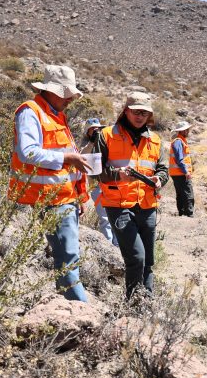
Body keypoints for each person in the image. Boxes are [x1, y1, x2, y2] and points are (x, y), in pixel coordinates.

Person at [8, 65, 91, 302]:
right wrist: (68, 158)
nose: (69, 100)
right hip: (50, 198)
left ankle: (69, 310)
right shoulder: (30, 112)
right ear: (51, 91)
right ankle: (79, 311)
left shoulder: (56, 114)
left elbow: (69, 162)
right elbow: (28, 153)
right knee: (68, 259)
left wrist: (80, 196)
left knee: (68, 257)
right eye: (65, 94)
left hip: (65, 197)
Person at [94, 92, 169, 299]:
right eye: (136, 111)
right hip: (118, 205)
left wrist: (159, 180)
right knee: (136, 257)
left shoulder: (155, 140)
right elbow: (95, 171)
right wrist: (117, 176)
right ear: (126, 111)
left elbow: (163, 170)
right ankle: (134, 303)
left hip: (147, 206)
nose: (140, 116)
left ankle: (147, 302)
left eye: (144, 112)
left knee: (148, 261)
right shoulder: (107, 135)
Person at [81, 118, 118, 246]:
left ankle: (118, 244)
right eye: (94, 129)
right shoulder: (86, 144)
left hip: (110, 185)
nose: (97, 131)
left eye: (99, 128)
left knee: (116, 216)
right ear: (88, 131)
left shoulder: (105, 141)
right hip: (96, 187)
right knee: (104, 218)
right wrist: (92, 142)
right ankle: (109, 245)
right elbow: (82, 155)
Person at [169, 120, 195, 217]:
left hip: (177, 173)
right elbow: (179, 159)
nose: (188, 131)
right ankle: (189, 214)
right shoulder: (178, 142)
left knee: (180, 194)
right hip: (180, 173)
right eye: (186, 130)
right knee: (188, 194)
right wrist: (186, 172)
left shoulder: (179, 141)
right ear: (182, 131)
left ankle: (182, 213)